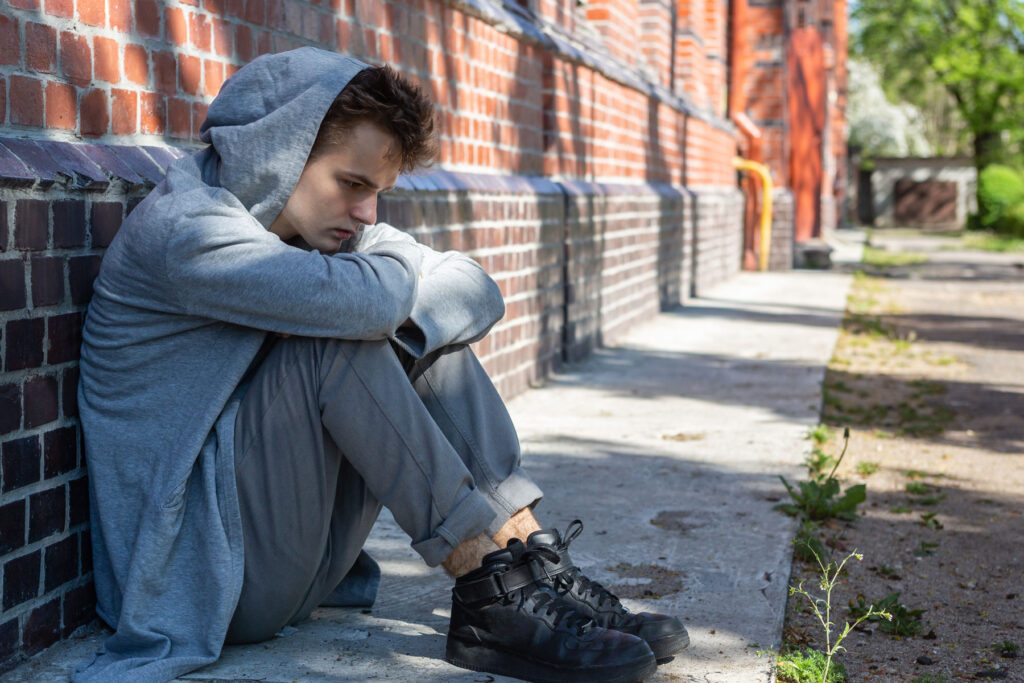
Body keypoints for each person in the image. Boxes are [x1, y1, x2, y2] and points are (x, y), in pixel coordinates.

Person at [75, 47, 688, 683]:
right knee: (344, 335)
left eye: (380, 193)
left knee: (409, 333)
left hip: (302, 561)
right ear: (277, 153)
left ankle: (526, 562)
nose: (369, 214)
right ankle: (486, 584)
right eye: (353, 184)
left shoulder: (303, 230)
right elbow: (374, 298)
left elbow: (478, 289)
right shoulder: (190, 233)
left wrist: (393, 303)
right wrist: (389, 285)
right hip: (198, 581)